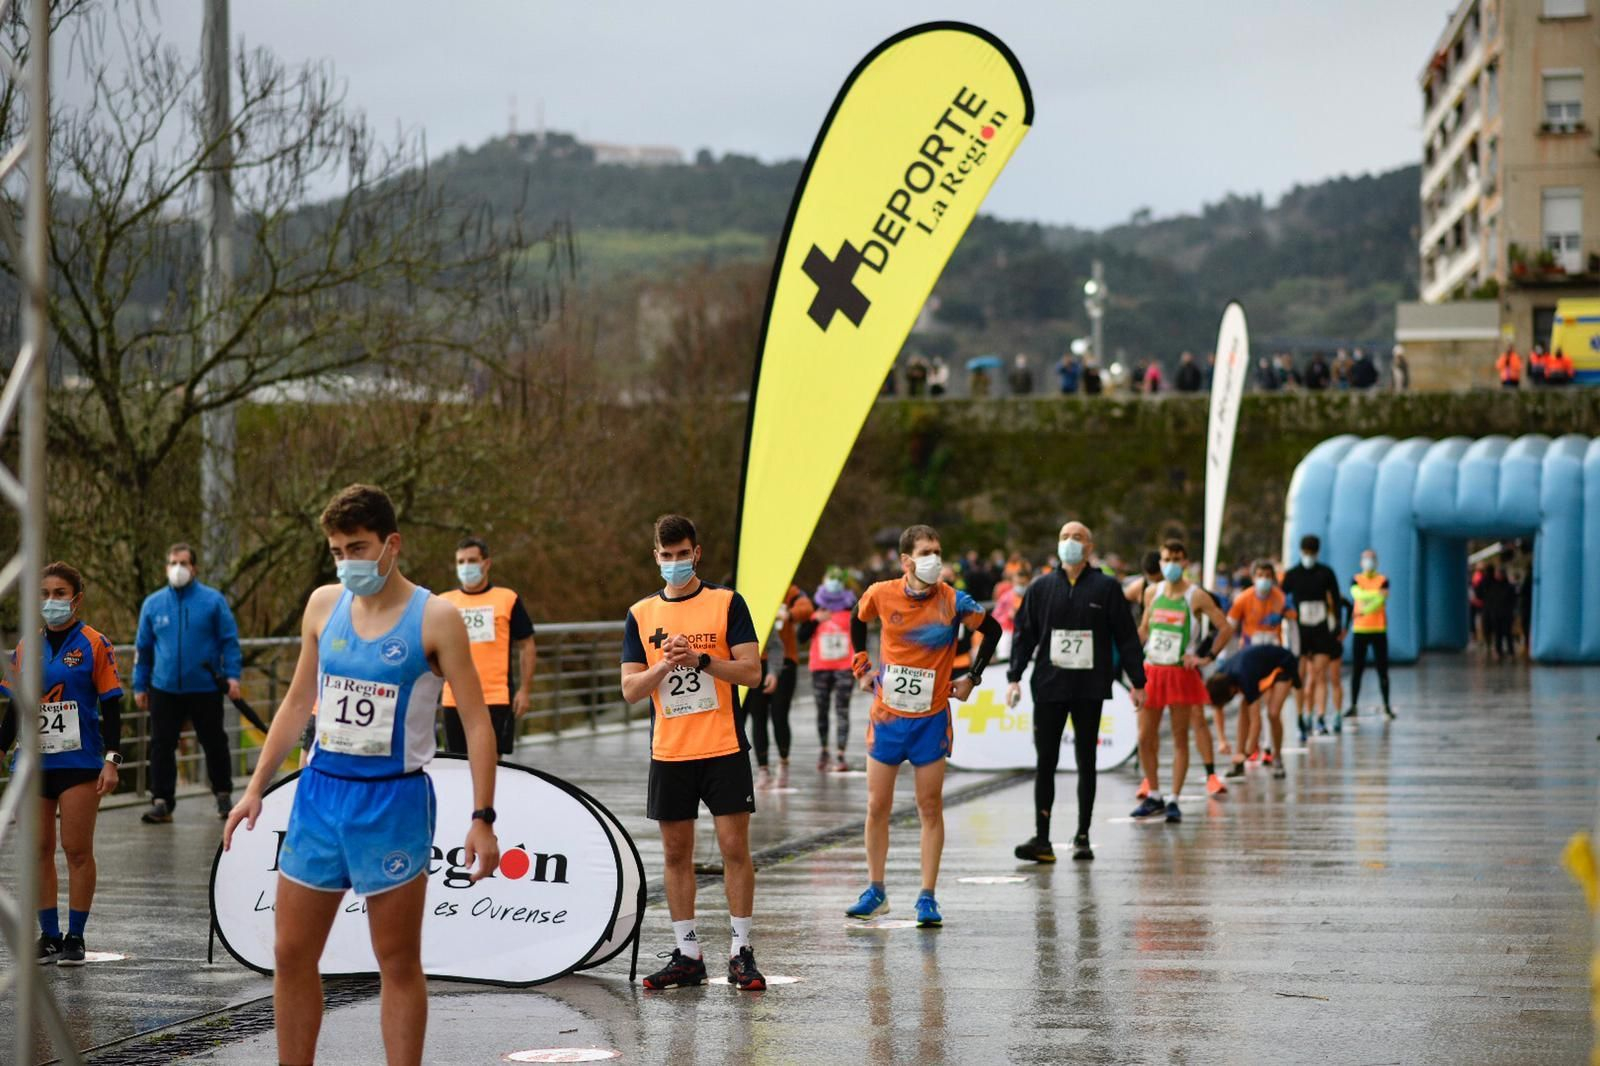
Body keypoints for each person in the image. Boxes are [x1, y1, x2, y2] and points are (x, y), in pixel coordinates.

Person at [222, 484, 500, 1066]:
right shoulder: (324, 606)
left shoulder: (438, 618)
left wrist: (483, 817)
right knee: (291, 952)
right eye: (337, 551)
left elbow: (476, 724)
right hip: (320, 796)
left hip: (392, 803)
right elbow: (298, 704)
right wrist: (254, 788)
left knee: (396, 961)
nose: (347, 562)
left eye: (358, 547)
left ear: (391, 545)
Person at [619, 514, 765, 990]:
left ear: (697, 553)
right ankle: (687, 954)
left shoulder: (726, 603)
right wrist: (664, 664)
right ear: (655, 557)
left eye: (684, 554)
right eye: (667, 556)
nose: (676, 563)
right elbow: (629, 690)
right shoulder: (641, 614)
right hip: (670, 752)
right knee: (675, 852)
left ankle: (741, 951)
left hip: (723, 746)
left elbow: (752, 673)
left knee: (732, 848)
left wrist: (702, 660)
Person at [845, 524, 1000, 926]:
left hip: (931, 720)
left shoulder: (953, 600)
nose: (935, 558)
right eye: (927, 552)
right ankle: (876, 890)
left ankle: (927, 897)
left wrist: (973, 678)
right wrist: (861, 667)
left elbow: (993, 629)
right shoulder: (881, 593)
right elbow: (856, 619)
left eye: (938, 550)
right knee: (877, 805)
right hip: (887, 717)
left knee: (929, 807)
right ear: (906, 560)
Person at [0, 562, 125, 965]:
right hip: (33, 765)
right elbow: (15, 707)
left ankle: (75, 935)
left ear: (76, 598)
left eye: (58, 593)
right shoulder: (25, 647)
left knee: (76, 850)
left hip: (79, 761)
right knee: (37, 849)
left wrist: (112, 760)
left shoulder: (94, 644)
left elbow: (112, 706)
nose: (50, 601)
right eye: (43, 594)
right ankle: (49, 935)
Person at [1006, 522, 1146, 863]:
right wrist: (1014, 677)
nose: (1070, 542)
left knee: (1087, 760)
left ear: (1089, 546)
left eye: (1077, 537)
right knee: (1046, 762)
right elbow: (1024, 636)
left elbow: (1126, 636)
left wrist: (1138, 682)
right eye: (1065, 537)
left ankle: (1082, 836)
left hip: (1089, 687)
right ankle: (1042, 839)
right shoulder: (1040, 588)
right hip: (1050, 686)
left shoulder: (1107, 588)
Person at [134, 541, 242, 823]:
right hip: (164, 687)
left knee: (214, 741)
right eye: (173, 563)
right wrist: (138, 684)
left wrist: (232, 676)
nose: (177, 568)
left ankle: (222, 794)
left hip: (205, 686)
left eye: (183, 563)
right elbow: (143, 648)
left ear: (193, 568)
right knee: (161, 744)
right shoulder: (153, 604)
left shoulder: (213, 601)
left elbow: (229, 642)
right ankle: (161, 801)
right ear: (166, 567)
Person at [1132, 541, 1234, 821]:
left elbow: (1225, 628)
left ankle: (1174, 798)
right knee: (1145, 737)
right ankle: (1154, 794)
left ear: (1186, 562)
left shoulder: (1196, 596)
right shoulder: (1152, 592)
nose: (1171, 564)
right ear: (1161, 562)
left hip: (1180, 671)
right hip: (1153, 668)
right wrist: (1127, 658)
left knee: (1179, 736)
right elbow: (1143, 629)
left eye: (1177, 559)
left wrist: (1207, 657)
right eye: (1167, 559)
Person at [438, 536, 536, 758]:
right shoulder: (444, 602)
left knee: (492, 763)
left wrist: (525, 690)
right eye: (460, 562)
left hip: (495, 696)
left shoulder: (507, 598)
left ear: (486, 563)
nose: (466, 567)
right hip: (454, 696)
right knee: (456, 763)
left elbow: (527, 644)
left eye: (472, 560)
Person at [739, 582, 813, 788]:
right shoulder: (746, 590)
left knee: (780, 714)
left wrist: (788, 614)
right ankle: (763, 770)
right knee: (758, 716)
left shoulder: (789, 590)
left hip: (785, 658)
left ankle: (783, 762)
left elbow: (807, 608)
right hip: (755, 661)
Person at [1282, 534, 1345, 742]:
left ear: (1317, 553)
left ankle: (1320, 716)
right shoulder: (1292, 574)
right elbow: (1282, 599)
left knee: (1319, 674)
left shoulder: (1326, 573)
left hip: (1320, 629)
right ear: (1301, 552)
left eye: (1312, 552)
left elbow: (1336, 600)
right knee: (1298, 676)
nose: (1309, 556)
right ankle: (1301, 717)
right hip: (1300, 630)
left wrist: (1337, 626)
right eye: (1306, 552)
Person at [1207, 642, 1301, 781]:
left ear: (1231, 690)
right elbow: (1217, 707)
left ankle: (1277, 758)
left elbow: (1256, 721)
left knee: (1273, 713)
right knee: (1244, 708)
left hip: (1283, 664)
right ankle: (1238, 765)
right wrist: (1222, 740)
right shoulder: (1219, 676)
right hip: (1259, 666)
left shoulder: (1244, 677)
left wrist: (1247, 753)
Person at [810, 568, 858, 771]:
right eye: (831, 579)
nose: (834, 583)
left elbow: (860, 636)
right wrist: (814, 621)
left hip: (844, 667)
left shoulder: (852, 610)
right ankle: (823, 750)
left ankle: (840, 754)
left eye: (838, 580)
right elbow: (802, 636)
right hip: (820, 667)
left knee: (842, 710)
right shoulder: (816, 609)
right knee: (822, 710)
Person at [1347, 548, 1396, 719]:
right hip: (1360, 629)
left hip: (1378, 629)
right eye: (1366, 559)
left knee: (1382, 669)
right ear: (1361, 562)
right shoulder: (1356, 579)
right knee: (1357, 669)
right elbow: (1357, 594)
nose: (1369, 562)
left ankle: (1386, 706)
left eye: (1372, 558)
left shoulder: (1383, 579)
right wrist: (1374, 595)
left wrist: (1364, 609)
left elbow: (1380, 599)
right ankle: (1353, 705)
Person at [992, 560, 1031, 662]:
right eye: (1018, 583)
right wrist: (1007, 616)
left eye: (1023, 584)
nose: (1021, 586)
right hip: (1008, 631)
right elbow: (995, 615)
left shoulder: (1031, 597)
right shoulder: (1006, 597)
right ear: (1013, 581)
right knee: (1004, 657)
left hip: (1026, 632)